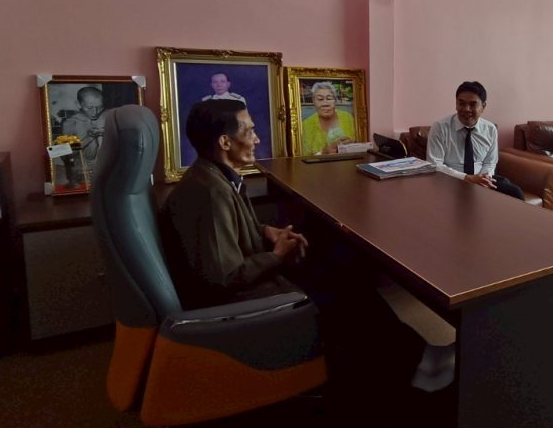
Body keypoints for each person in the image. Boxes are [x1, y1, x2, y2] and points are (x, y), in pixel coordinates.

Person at [159, 100, 453, 394]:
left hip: (252, 279)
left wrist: (267, 231)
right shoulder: (210, 193)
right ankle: (415, 365)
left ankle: (415, 356)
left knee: (342, 263)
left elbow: (231, 232)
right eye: (249, 131)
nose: (257, 139)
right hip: (245, 301)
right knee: (344, 289)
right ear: (225, 142)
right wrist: (277, 256)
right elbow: (224, 276)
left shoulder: (215, 176)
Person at [426, 81, 524, 200]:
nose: (466, 109)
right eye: (461, 103)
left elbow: (490, 163)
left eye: (473, 104)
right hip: (452, 181)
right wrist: (467, 178)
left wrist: (484, 179)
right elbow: (434, 164)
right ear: (456, 104)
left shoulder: (490, 129)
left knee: (516, 193)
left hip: (481, 179)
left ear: (483, 106)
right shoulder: (440, 128)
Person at [61, 86, 106, 185]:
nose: (95, 112)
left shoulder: (108, 118)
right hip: (82, 175)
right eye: (89, 108)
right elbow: (65, 154)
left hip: (106, 173)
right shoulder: (71, 123)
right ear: (78, 104)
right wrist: (89, 137)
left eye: (99, 107)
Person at [301, 81, 356, 155]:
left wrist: (352, 145)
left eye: (329, 99)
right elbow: (303, 157)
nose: (325, 104)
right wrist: (323, 152)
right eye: (320, 99)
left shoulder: (347, 117)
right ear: (313, 102)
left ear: (335, 101)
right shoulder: (306, 125)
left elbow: (359, 143)